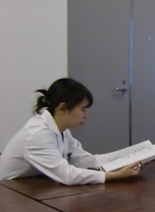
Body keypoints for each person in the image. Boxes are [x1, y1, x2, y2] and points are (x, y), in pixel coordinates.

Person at [0, 78, 142, 185]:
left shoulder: (61, 129)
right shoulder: (38, 134)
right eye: (82, 110)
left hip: (31, 186)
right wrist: (117, 176)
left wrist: (127, 159)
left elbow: (84, 160)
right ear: (62, 108)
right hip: (9, 193)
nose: (86, 116)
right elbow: (67, 175)